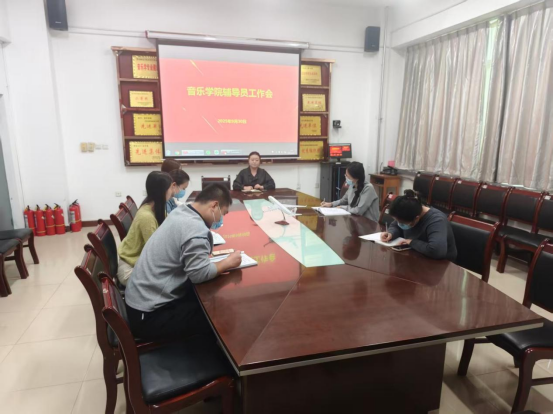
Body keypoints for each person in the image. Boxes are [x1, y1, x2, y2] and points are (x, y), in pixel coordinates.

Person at [124, 184, 243, 342]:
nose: (221, 219)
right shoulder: (195, 229)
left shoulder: (181, 211)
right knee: (218, 315)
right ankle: (209, 355)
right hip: (148, 315)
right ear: (214, 205)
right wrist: (228, 262)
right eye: (223, 213)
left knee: (208, 300)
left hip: (139, 300)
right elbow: (199, 274)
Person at [117, 172, 173, 287]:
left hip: (138, 263)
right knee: (177, 279)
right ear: (162, 191)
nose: (172, 191)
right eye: (170, 188)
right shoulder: (147, 217)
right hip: (129, 269)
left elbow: (171, 226)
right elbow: (156, 253)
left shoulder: (155, 208)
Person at [381, 190, 457, 261]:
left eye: (401, 223)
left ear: (416, 218)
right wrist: (391, 233)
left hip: (439, 263)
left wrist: (412, 242)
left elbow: (436, 250)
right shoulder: (407, 213)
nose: (399, 223)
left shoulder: (437, 221)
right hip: (416, 255)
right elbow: (395, 226)